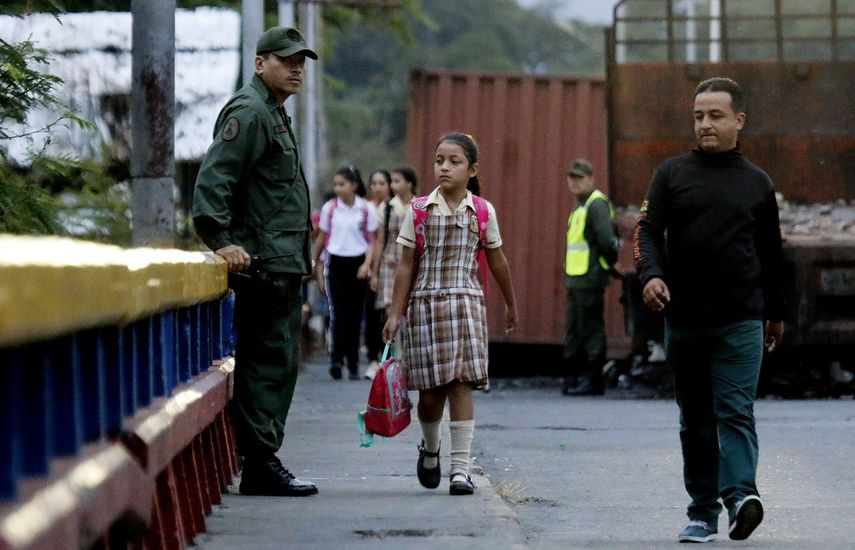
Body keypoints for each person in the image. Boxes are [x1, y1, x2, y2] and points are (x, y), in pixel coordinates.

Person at [633, 76, 784, 543]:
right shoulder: (671, 174)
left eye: (715, 115)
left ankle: (741, 496)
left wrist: (775, 313)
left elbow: (771, 255)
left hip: (740, 319)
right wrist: (651, 275)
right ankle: (702, 512)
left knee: (735, 411)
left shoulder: (757, 183)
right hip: (685, 322)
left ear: (739, 120)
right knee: (695, 419)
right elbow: (645, 233)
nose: (705, 124)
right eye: (699, 116)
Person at [191, 26, 319, 497]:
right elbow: (212, 186)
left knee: (278, 360)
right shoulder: (249, 113)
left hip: (281, 262)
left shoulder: (273, 113)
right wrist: (221, 240)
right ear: (261, 63)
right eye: (287, 60)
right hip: (263, 264)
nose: (297, 68)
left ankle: (264, 458)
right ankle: (261, 463)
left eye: (301, 61)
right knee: (266, 362)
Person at [382, 133, 517, 496]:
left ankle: (461, 469)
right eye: (439, 159)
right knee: (430, 396)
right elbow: (406, 266)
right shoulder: (419, 210)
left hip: (467, 304)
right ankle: (430, 449)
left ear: (472, 170)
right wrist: (395, 315)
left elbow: (497, 259)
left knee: (462, 384)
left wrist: (510, 303)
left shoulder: (483, 211)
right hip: (425, 306)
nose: (444, 166)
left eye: (454, 161)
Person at [312, 165, 378, 380]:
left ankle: (353, 361)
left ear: (354, 185)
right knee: (337, 313)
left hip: (358, 262)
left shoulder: (366, 209)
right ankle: (336, 359)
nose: (338, 189)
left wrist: (367, 264)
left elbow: (371, 241)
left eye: (342, 184)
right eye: (336, 185)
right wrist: (314, 262)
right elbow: (322, 237)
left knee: (355, 315)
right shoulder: (330, 209)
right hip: (336, 263)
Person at [561, 159, 620, 396]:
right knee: (575, 328)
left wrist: (607, 264)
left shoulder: (595, 205)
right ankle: (573, 378)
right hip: (577, 278)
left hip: (589, 277)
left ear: (590, 179)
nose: (574, 182)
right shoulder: (581, 205)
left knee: (590, 328)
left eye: (579, 178)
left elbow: (607, 241)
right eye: (571, 177)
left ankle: (592, 379)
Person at [367, 165, 417, 378]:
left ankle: (408, 357)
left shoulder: (419, 206)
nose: (393, 185)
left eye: (397, 181)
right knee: (390, 311)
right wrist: (375, 271)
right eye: (392, 181)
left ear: (409, 183)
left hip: (411, 263)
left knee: (410, 312)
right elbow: (380, 241)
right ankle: (393, 357)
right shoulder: (387, 208)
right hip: (389, 264)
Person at [362, 170, 392, 379]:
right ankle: (374, 358)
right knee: (373, 313)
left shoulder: (394, 208)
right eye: (374, 183)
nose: (378, 187)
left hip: (395, 264)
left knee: (391, 314)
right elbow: (374, 242)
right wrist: (372, 268)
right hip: (371, 263)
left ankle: (390, 358)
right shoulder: (367, 208)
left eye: (382, 183)